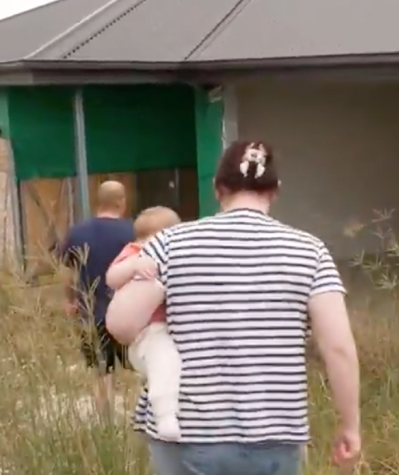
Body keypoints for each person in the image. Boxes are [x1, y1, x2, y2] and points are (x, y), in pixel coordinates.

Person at [106, 141, 361, 475]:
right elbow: (338, 348)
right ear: (275, 190)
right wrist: (350, 425)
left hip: (185, 436)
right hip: (273, 436)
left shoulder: (171, 243)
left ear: (217, 188)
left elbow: (121, 325)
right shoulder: (310, 252)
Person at [57, 180, 135, 415]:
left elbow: (67, 272)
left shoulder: (77, 232)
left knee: (102, 372)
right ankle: (137, 419)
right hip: (128, 312)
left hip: (90, 311)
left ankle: (105, 423)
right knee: (136, 369)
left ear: (97, 201)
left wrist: (70, 300)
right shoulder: (132, 231)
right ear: (121, 201)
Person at [106, 206, 183, 441]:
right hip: (149, 332)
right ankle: (165, 416)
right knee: (165, 361)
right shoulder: (135, 252)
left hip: (163, 328)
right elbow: (111, 277)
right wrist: (134, 266)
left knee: (169, 365)